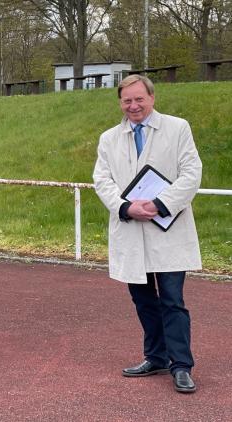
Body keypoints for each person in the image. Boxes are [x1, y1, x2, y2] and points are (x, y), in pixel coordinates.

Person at [93, 75, 202, 394]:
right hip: (131, 229)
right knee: (143, 299)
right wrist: (125, 208)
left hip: (168, 228)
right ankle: (155, 356)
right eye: (127, 100)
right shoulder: (109, 138)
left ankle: (181, 365)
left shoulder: (177, 128)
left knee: (172, 300)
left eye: (139, 99)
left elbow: (191, 174)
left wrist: (158, 204)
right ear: (120, 102)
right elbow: (102, 180)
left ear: (151, 98)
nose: (133, 105)